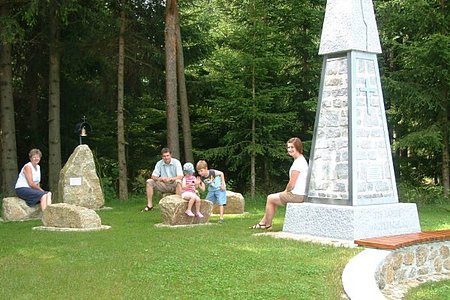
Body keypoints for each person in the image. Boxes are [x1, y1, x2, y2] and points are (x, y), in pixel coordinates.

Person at [250, 137, 308, 230]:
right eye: (288, 147)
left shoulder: (298, 163)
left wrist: (286, 191)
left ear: (298, 147)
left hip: (296, 195)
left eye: (292, 147)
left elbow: (292, 184)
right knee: (273, 199)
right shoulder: (301, 160)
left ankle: (268, 225)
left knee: (270, 198)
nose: (289, 150)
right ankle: (262, 223)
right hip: (300, 194)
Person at [143, 147, 183, 212]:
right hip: (163, 184)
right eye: (164, 156)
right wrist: (160, 178)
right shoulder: (159, 163)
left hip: (173, 184)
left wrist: (171, 179)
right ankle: (149, 205)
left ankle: (178, 205)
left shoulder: (176, 162)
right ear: (162, 156)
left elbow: (180, 176)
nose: (166, 158)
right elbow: (153, 176)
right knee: (149, 181)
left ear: (171, 155)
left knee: (178, 181)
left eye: (167, 155)